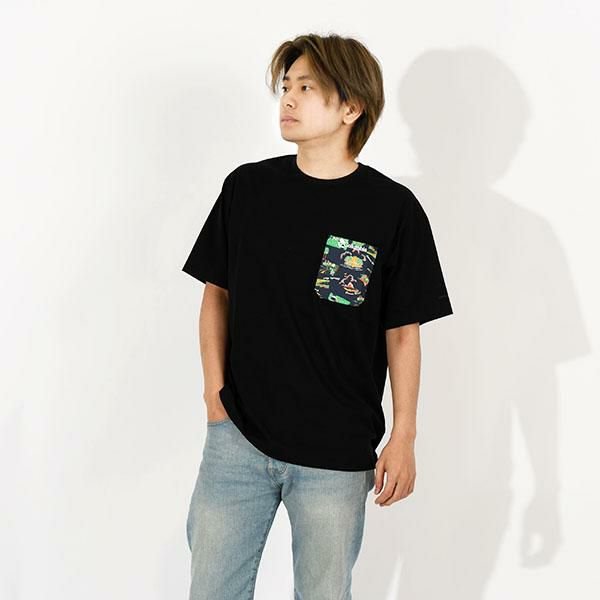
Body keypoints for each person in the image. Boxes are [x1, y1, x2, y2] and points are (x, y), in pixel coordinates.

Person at [182, 33, 453, 600]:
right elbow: (216, 295)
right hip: (238, 439)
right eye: (286, 86)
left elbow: (403, 333)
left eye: (306, 87)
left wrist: (404, 434)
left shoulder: (393, 210)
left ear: (351, 107)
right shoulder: (248, 188)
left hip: (337, 453)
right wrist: (215, 397)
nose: (288, 98)